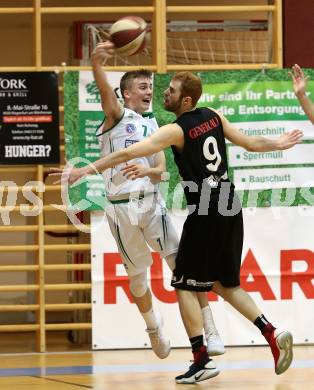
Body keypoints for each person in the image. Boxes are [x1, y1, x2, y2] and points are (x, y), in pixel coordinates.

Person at [51, 69, 302, 383]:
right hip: (230, 203)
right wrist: (279, 142)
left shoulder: (176, 129)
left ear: (185, 99)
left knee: (184, 283)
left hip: (207, 209)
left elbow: (127, 152)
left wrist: (83, 171)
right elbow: (250, 143)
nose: (163, 94)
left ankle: (202, 360)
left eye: (170, 91)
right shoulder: (213, 116)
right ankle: (272, 333)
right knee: (225, 285)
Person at [84, 42, 225, 359]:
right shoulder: (116, 116)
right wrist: (97, 65)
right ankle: (153, 327)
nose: (150, 90)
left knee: (182, 265)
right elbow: (107, 94)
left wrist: (149, 173)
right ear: (127, 94)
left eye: (151, 85)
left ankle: (210, 330)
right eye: (143, 86)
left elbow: (161, 171)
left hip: (150, 205)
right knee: (137, 283)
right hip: (120, 210)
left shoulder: (153, 124)